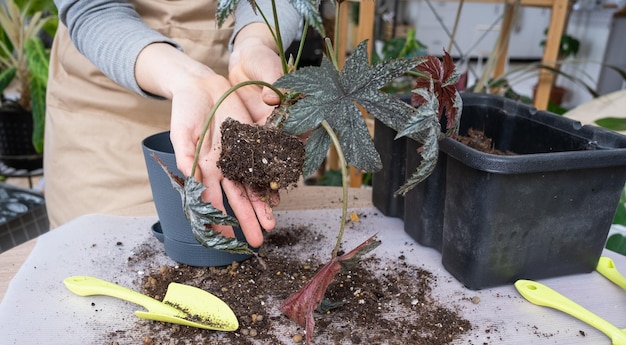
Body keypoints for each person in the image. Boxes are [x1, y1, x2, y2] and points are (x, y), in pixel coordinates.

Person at [45, 0, 300, 248]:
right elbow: (92, 8)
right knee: (107, 252)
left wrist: (255, 42)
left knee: (242, 250)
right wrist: (186, 79)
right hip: (106, 105)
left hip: (234, 98)